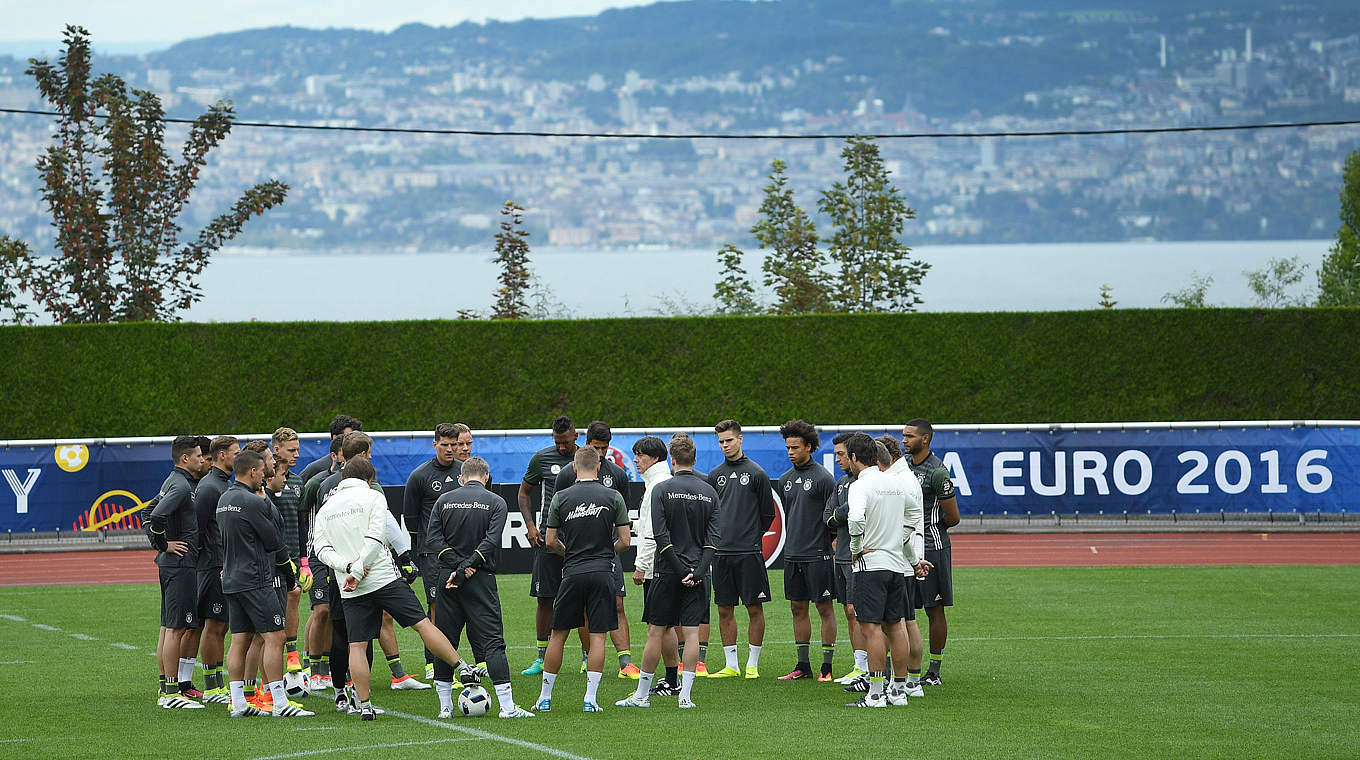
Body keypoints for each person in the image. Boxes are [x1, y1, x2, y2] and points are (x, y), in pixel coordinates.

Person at [313, 456, 483, 721]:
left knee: (356, 646)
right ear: (368, 479)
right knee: (423, 624)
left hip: (348, 584)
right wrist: (359, 568)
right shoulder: (373, 497)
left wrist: (348, 567)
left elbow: (321, 549)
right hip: (382, 577)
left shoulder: (326, 508)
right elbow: (376, 535)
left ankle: (365, 705)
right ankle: (461, 667)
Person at [425, 456, 534, 718]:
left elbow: (433, 541)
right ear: (486, 477)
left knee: (445, 640)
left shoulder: (443, 500)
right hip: (480, 579)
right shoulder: (496, 501)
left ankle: (445, 708)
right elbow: (491, 541)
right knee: (493, 642)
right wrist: (468, 567)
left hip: (447, 578)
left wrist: (457, 567)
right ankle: (507, 708)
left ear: (462, 478)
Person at [616, 433, 717, 710]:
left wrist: (678, 568)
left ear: (672, 459)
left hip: (666, 570)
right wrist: (696, 571)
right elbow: (713, 538)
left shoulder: (661, 489)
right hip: (698, 572)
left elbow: (658, 535)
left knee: (655, 631)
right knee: (692, 633)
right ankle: (685, 696)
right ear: (695, 459)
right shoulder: (709, 490)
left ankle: (641, 696)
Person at [319, 431, 427, 690]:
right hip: (366, 571)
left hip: (339, 571)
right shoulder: (369, 488)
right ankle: (358, 690)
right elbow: (384, 526)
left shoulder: (321, 482)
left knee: (347, 633)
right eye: (368, 453)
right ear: (360, 458)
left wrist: (336, 565)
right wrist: (403, 555)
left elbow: (314, 528)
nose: (372, 458)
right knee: (363, 635)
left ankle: (343, 691)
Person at [532, 447, 631, 714]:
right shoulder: (613, 496)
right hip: (603, 573)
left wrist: (570, 554)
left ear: (574, 468)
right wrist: (606, 554)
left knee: (558, 635)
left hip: (572, 572)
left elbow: (550, 540)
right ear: (599, 467)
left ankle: (545, 698)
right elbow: (625, 540)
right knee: (598, 637)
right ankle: (590, 699)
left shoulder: (561, 496)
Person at [217, 448, 313, 717]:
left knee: (239, 640)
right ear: (252, 471)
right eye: (261, 470)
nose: (264, 475)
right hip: (258, 579)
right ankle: (280, 703)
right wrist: (290, 574)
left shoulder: (224, 499)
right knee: (275, 637)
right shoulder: (254, 502)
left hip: (232, 579)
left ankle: (238, 703)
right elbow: (274, 542)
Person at [843, 433, 931, 708]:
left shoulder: (859, 486)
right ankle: (899, 691)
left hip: (871, 566)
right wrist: (913, 559)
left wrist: (855, 547)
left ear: (855, 457)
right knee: (896, 626)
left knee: (870, 629)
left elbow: (856, 519)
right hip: (897, 566)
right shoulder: (897, 484)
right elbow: (912, 521)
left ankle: (876, 694)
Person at [552, 421, 637, 679]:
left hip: (607, 552)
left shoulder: (618, 475)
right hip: (578, 553)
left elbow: (622, 520)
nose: (600, 453)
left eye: (605, 448)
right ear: (587, 443)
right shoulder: (567, 474)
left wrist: (609, 549)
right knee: (584, 609)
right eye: (596, 447)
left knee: (618, 604)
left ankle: (626, 663)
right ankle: (587, 657)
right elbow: (559, 517)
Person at [706, 419, 777, 679]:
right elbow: (711, 514)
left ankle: (752, 665)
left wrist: (750, 536)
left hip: (749, 553)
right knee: (724, 608)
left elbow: (767, 513)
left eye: (729, 440)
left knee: (754, 608)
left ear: (740, 439)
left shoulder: (757, 473)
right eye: (721, 441)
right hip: (721, 553)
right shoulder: (715, 475)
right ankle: (731, 664)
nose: (725, 445)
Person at [774, 420, 838, 682]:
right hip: (792, 555)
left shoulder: (824, 478)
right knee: (797, 608)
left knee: (824, 608)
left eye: (795, 447)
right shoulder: (786, 480)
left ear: (809, 447)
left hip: (818, 555)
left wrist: (822, 543)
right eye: (788, 447)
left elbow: (834, 519)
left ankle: (827, 666)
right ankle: (803, 666)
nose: (790, 452)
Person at [146, 435, 206, 709]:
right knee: (176, 629)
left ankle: (166, 688)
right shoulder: (181, 486)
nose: (202, 459)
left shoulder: (173, 481)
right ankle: (171, 693)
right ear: (185, 458)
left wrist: (160, 546)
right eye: (198, 456)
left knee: (168, 628)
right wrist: (163, 544)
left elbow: (148, 511)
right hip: (179, 564)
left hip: (173, 564)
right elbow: (156, 515)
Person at [517, 416, 579, 675]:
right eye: (558, 442)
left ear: (576, 436)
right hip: (547, 539)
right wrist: (531, 526)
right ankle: (541, 658)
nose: (562, 447)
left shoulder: (587, 459)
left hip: (579, 539)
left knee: (585, 600)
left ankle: (588, 660)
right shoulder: (541, 458)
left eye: (566, 442)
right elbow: (524, 493)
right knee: (545, 598)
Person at [403, 423, 464, 681]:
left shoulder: (465, 472)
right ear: (435, 444)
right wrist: (421, 548)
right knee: (436, 605)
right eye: (445, 444)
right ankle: (433, 660)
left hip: (463, 552)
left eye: (455, 444)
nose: (450, 449)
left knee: (466, 603)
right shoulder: (420, 476)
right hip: (433, 554)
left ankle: (470, 657)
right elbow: (411, 517)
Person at [902, 418, 959, 686]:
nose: (904, 440)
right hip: (904, 549)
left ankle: (934, 670)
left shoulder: (937, 471)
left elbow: (953, 516)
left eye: (909, 436)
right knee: (903, 609)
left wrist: (930, 530)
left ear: (925, 439)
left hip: (932, 548)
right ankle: (902, 666)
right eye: (903, 436)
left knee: (934, 609)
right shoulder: (902, 467)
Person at [190, 435, 239, 704]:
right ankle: (212, 686)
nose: (239, 455)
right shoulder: (210, 487)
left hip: (224, 563)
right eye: (235, 452)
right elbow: (196, 527)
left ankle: (218, 684)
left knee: (223, 625)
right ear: (222, 455)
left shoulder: (223, 484)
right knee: (215, 624)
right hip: (212, 565)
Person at [631, 435, 681, 696]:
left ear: (656, 458)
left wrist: (641, 565)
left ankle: (660, 685)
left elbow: (653, 532)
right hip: (665, 563)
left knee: (657, 626)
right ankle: (672, 679)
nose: (636, 459)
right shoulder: (661, 481)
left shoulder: (656, 485)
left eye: (640, 455)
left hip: (657, 566)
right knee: (667, 625)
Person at [877, 435, 927, 697]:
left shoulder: (899, 482)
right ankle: (910, 681)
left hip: (902, 560)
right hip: (906, 559)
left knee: (903, 623)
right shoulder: (905, 478)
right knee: (905, 621)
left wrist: (913, 560)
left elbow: (904, 529)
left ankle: (908, 681)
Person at [823, 433, 868, 687]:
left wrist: (841, 514)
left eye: (841, 454)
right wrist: (843, 513)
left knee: (857, 611)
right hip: (840, 555)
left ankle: (866, 667)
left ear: (854, 455)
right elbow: (828, 517)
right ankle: (858, 665)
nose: (838, 459)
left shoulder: (865, 483)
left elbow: (850, 514)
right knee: (848, 612)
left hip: (857, 555)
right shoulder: (840, 483)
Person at [300, 435, 343, 692]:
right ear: (335, 455)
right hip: (318, 554)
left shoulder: (360, 484)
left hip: (342, 556)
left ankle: (329, 666)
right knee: (322, 610)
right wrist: (305, 555)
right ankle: (314, 668)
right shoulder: (317, 482)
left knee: (337, 613)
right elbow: (302, 513)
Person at [269, 428, 308, 681]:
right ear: (276, 449)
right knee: (271, 610)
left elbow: (302, 522)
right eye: (291, 450)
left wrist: (304, 561)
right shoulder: (264, 482)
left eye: (297, 450)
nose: (296, 455)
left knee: (293, 597)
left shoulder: (297, 481)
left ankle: (292, 654)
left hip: (293, 554)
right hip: (270, 558)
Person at [297, 414, 362, 484]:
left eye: (357, 438)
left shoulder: (363, 467)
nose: (354, 442)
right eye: (349, 437)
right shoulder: (316, 468)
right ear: (336, 438)